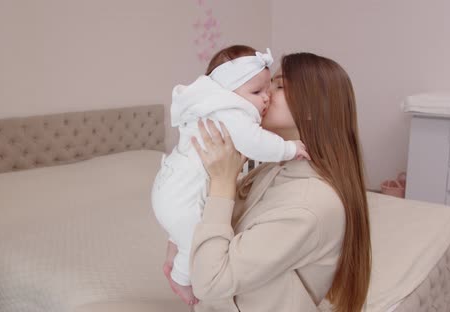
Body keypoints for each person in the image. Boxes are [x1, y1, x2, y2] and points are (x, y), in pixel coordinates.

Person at [184, 52, 372, 312]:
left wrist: (222, 183)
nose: (265, 93)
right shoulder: (276, 168)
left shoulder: (309, 205)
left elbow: (209, 281)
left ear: (312, 107)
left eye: (279, 85)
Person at [151, 45, 310, 305]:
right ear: (228, 92)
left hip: (172, 189)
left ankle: (174, 248)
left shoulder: (217, 111)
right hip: (178, 197)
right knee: (194, 241)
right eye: (258, 91)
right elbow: (256, 141)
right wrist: (289, 149)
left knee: (188, 226)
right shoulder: (231, 114)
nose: (267, 96)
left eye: (270, 87)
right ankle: (181, 277)